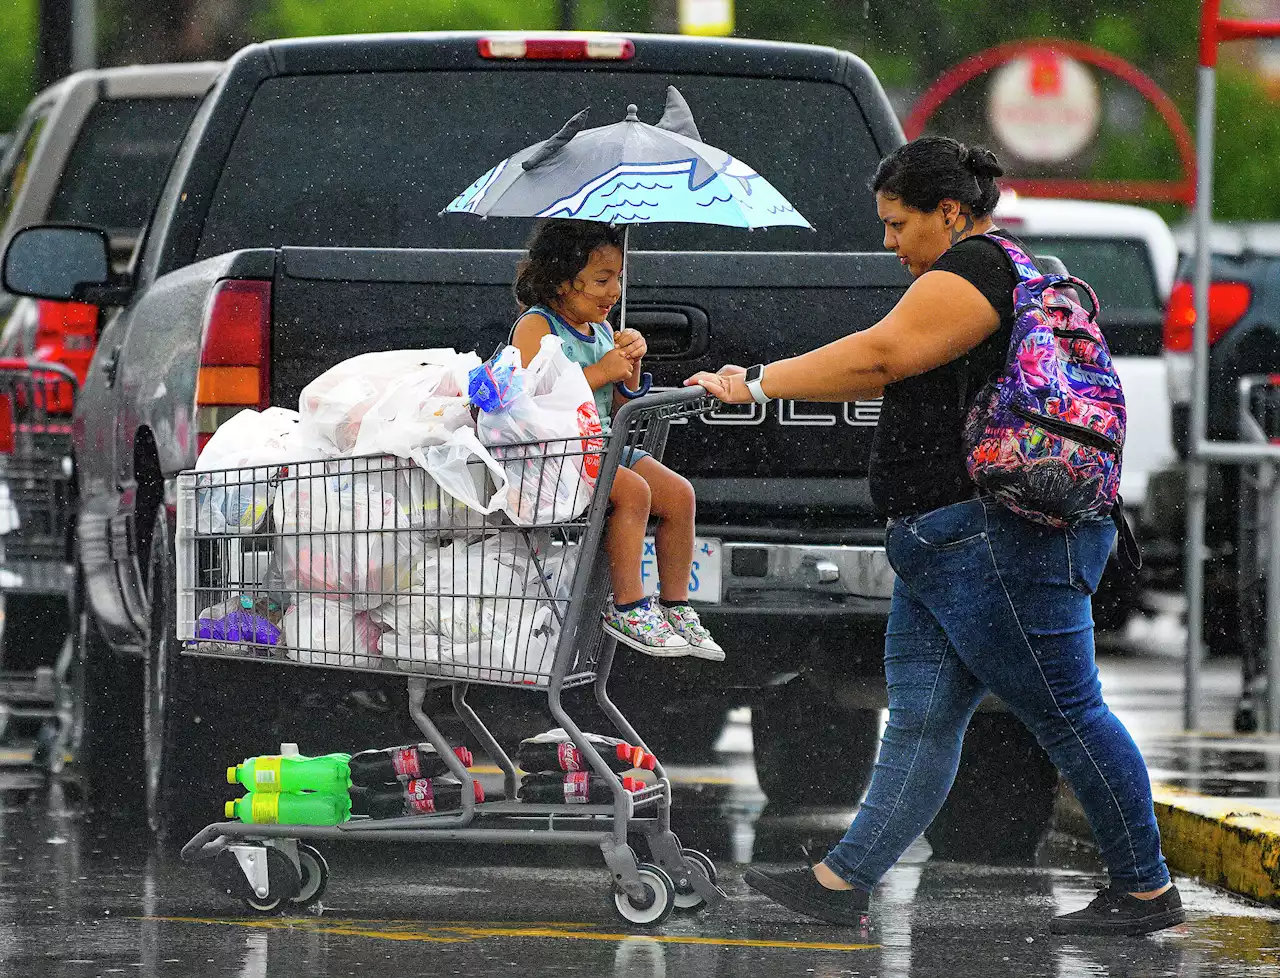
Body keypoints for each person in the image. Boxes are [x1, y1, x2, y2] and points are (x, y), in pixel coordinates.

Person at [686, 136, 1183, 936]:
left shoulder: (977, 269)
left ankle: (1146, 889)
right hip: (947, 545)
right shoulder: (998, 271)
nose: (889, 243)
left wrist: (758, 385)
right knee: (921, 720)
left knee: (1066, 711)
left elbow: (881, 356)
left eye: (897, 224)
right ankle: (840, 883)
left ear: (948, 213)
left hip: (998, 542)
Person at [512, 219, 723, 660]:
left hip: (603, 445)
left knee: (679, 495)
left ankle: (675, 604)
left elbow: (619, 397)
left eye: (619, 279)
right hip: (557, 453)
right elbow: (530, 401)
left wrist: (627, 365)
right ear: (560, 282)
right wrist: (600, 371)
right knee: (633, 492)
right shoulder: (537, 327)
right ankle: (627, 605)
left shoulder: (603, 329)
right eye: (601, 280)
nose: (614, 292)